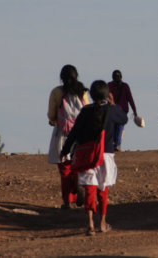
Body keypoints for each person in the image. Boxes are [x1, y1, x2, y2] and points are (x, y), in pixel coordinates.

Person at [60, 80, 128, 235]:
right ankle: (102, 223)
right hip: (106, 155)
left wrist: (65, 150)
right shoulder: (112, 110)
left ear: (90, 95)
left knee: (89, 188)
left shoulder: (85, 111)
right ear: (107, 95)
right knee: (103, 189)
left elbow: (74, 132)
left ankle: (90, 223)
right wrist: (113, 104)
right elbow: (124, 119)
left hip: (87, 155)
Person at [47, 64, 89, 209]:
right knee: (78, 167)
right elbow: (88, 110)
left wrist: (53, 121)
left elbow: (52, 115)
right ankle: (79, 186)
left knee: (65, 171)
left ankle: (68, 202)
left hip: (62, 136)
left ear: (61, 78)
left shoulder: (56, 92)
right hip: (81, 136)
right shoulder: (82, 92)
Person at [108, 70, 137, 151]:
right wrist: (135, 111)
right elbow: (130, 99)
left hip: (112, 110)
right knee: (120, 127)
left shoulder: (109, 85)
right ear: (121, 77)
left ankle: (115, 144)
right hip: (122, 111)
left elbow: (105, 97)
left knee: (113, 127)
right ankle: (117, 144)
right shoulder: (125, 86)